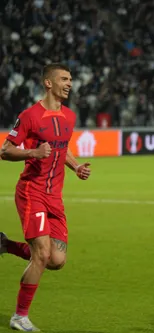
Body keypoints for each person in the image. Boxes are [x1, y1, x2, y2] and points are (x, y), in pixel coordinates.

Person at [0, 63, 91, 331]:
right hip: (32, 192)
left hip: (55, 197)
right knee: (41, 253)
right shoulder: (30, 116)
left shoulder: (70, 117)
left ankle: (5, 245)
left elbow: (62, 149)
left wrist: (76, 167)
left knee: (56, 260)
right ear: (48, 83)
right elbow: (5, 150)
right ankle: (20, 316)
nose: (70, 83)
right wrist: (32, 153)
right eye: (64, 79)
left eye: (71, 79)